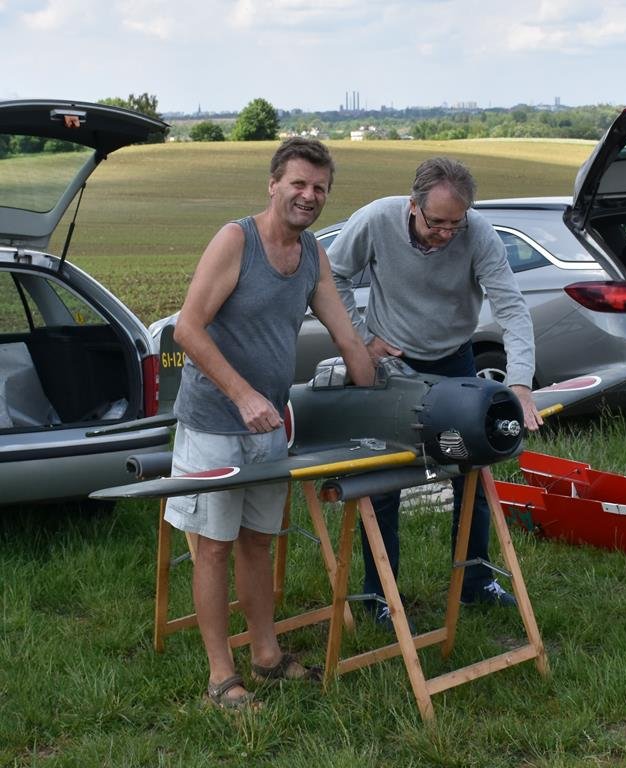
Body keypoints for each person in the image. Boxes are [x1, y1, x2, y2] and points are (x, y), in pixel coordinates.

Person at [165, 138, 375, 709]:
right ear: (273, 184)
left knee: (258, 541)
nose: (309, 196)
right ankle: (220, 679)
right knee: (213, 547)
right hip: (214, 422)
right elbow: (187, 329)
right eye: (299, 184)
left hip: (270, 428)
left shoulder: (311, 255)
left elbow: (345, 334)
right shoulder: (237, 240)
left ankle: (265, 655)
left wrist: (376, 384)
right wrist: (241, 396)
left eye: (319, 188)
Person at [327, 156, 541, 629]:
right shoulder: (375, 219)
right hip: (389, 367)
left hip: (455, 361)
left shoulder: (479, 234)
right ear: (412, 205)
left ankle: (475, 580)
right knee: (382, 484)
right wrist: (362, 341)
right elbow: (331, 275)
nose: (445, 233)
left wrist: (520, 383)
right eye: (436, 223)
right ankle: (379, 595)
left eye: (454, 224)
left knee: (472, 475)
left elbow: (511, 306)